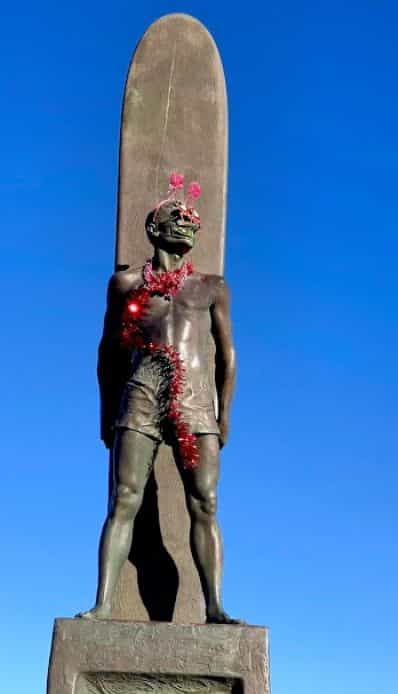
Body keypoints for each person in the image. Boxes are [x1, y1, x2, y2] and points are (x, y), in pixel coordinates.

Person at [81, 174, 238, 624]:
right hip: (142, 392)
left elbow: (228, 355)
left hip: (194, 398)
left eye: (193, 220)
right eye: (178, 217)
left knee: (204, 502)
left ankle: (214, 607)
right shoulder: (125, 285)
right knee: (125, 498)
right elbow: (107, 351)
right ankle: (104, 604)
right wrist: (106, 411)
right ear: (154, 228)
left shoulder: (212, 287)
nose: (188, 224)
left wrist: (224, 415)